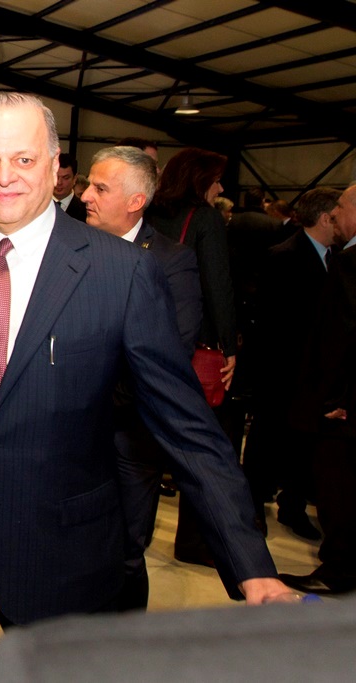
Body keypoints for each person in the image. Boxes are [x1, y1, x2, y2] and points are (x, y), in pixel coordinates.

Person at [0, 92, 293, 682]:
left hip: (60, 553)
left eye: (23, 160)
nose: (3, 177)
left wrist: (253, 565)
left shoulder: (121, 272)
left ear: (56, 168)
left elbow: (188, 428)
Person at [79, 146, 202, 610]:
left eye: (100, 188)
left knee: (125, 550)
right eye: (88, 184)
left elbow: (170, 354)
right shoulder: (70, 248)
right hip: (69, 433)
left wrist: (91, 398)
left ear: (135, 202)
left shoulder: (171, 261)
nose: (85, 195)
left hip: (129, 434)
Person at [146, 147, 241, 565]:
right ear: (201, 180)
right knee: (203, 447)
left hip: (148, 337)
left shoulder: (149, 212)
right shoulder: (205, 219)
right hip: (195, 343)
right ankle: (194, 542)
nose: (220, 188)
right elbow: (217, 285)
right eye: (216, 180)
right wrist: (229, 346)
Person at [246, 188, 340, 542]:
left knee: (303, 445)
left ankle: (293, 506)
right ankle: (253, 505)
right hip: (282, 371)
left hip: (314, 375)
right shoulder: (284, 256)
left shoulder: (335, 256)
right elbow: (272, 323)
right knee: (265, 441)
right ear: (326, 218)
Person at [280, 184, 356, 596]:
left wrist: (337, 398)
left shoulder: (350, 263)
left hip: (341, 407)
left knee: (337, 486)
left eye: (341, 206)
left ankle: (339, 569)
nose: (336, 214)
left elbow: (341, 338)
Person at [54, 153, 86, 221]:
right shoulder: (36, 205)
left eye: (65, 178)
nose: (59, 182)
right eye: (56, 176)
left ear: (75, 179)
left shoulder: (85, 210)